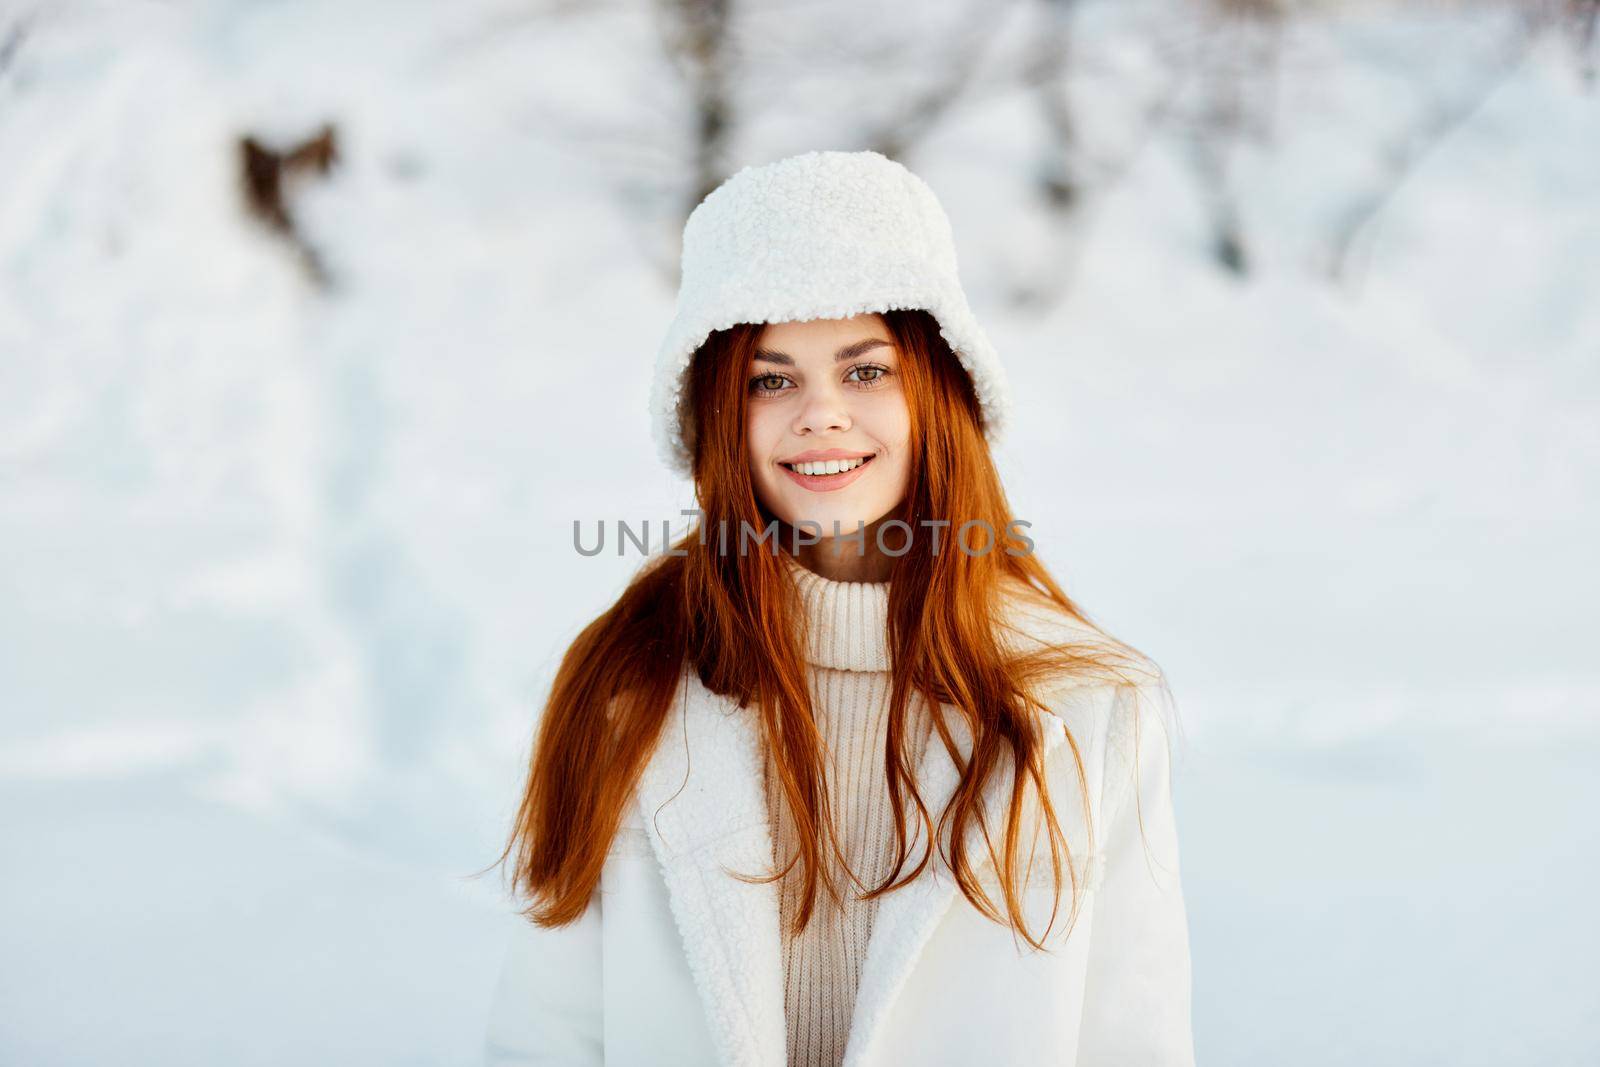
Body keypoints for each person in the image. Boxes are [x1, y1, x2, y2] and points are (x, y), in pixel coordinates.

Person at [482, 149, 1194, 1066]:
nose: (820, 415)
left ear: (941, 393)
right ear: (716, 421)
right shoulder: (629, 683)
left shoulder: (1090, 704)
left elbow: (1132, 1040)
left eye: (866, 372)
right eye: (770, 380)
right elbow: (549, 1037)